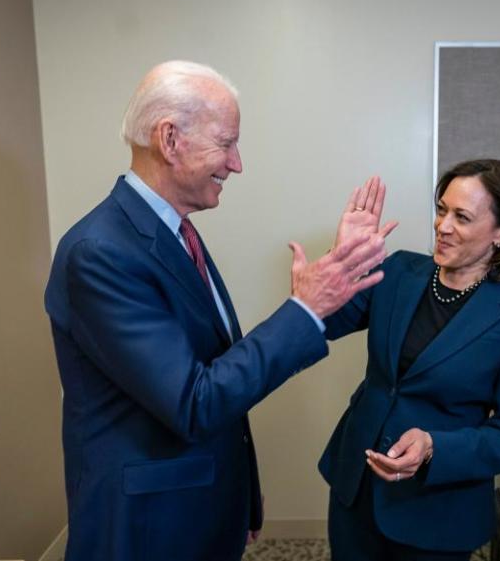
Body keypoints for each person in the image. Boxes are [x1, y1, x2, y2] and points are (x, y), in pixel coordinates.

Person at [44, 61, 391, 561]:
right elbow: (195, 402)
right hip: (145, 526)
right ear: (170, 139)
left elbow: (209, 369)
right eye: (226, 143)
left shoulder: (173, 231)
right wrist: (304, 308)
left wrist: (239, 491)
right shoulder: (100, 252)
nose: (237, 163)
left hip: (196, 504)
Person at [320, 159, 500, 560]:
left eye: (462, 217)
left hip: (437, 508)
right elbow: (320, 324)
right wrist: (341, 261)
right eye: (442, 209)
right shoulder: (398, 272)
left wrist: (435, 447)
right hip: (357, 484)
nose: (442, 226)